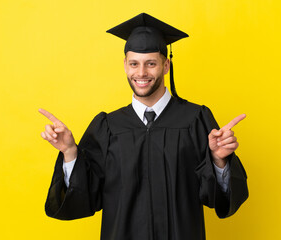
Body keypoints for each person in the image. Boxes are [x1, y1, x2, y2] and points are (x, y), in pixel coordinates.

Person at [40, 13, 248, 240]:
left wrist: (219, 161)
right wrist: (70, 153)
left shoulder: (195, 120)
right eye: (134, 64)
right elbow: (86, 196)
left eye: (151, 64)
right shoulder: (108, 127)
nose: (141, 73)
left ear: (166, 65)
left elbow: (215, 198)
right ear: (125, 65)